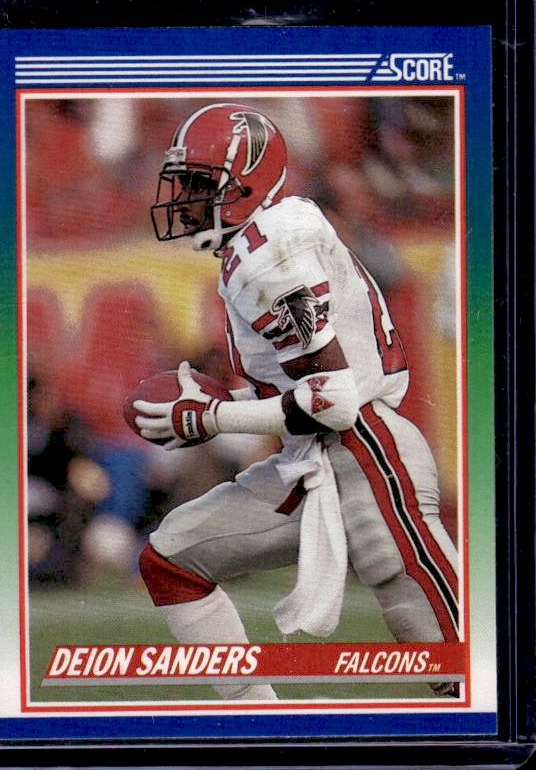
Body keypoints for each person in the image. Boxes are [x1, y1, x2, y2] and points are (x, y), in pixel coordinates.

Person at [134, 103, 459, 701]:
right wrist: (221, 405)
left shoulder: (270, 254)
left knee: (458, 665)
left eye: (201, 185)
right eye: (184, 184)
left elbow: (333, 401)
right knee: (172, 560)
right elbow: (304, 390)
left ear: (247, 184)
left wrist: (213, 417)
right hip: (310, 461)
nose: (185, 200)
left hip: (367, 453)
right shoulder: (265, 239)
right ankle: (258, 725)